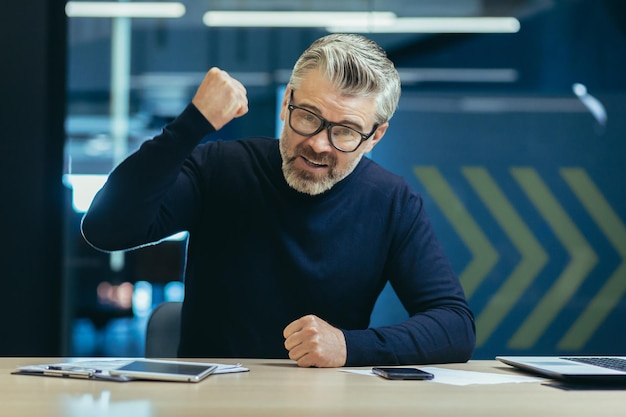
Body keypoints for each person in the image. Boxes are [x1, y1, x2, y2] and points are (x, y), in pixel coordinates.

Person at [82, 33, 475, 368]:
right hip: (211, 402)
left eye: (346, 131)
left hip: (323, 402)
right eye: (308, 116)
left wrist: (349, 346)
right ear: (287, 101)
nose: (319, 143)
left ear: (376, 136)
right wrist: (192, 124)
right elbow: (105, 228)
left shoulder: (392, 202)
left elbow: (454, 325)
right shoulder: (220, 167)